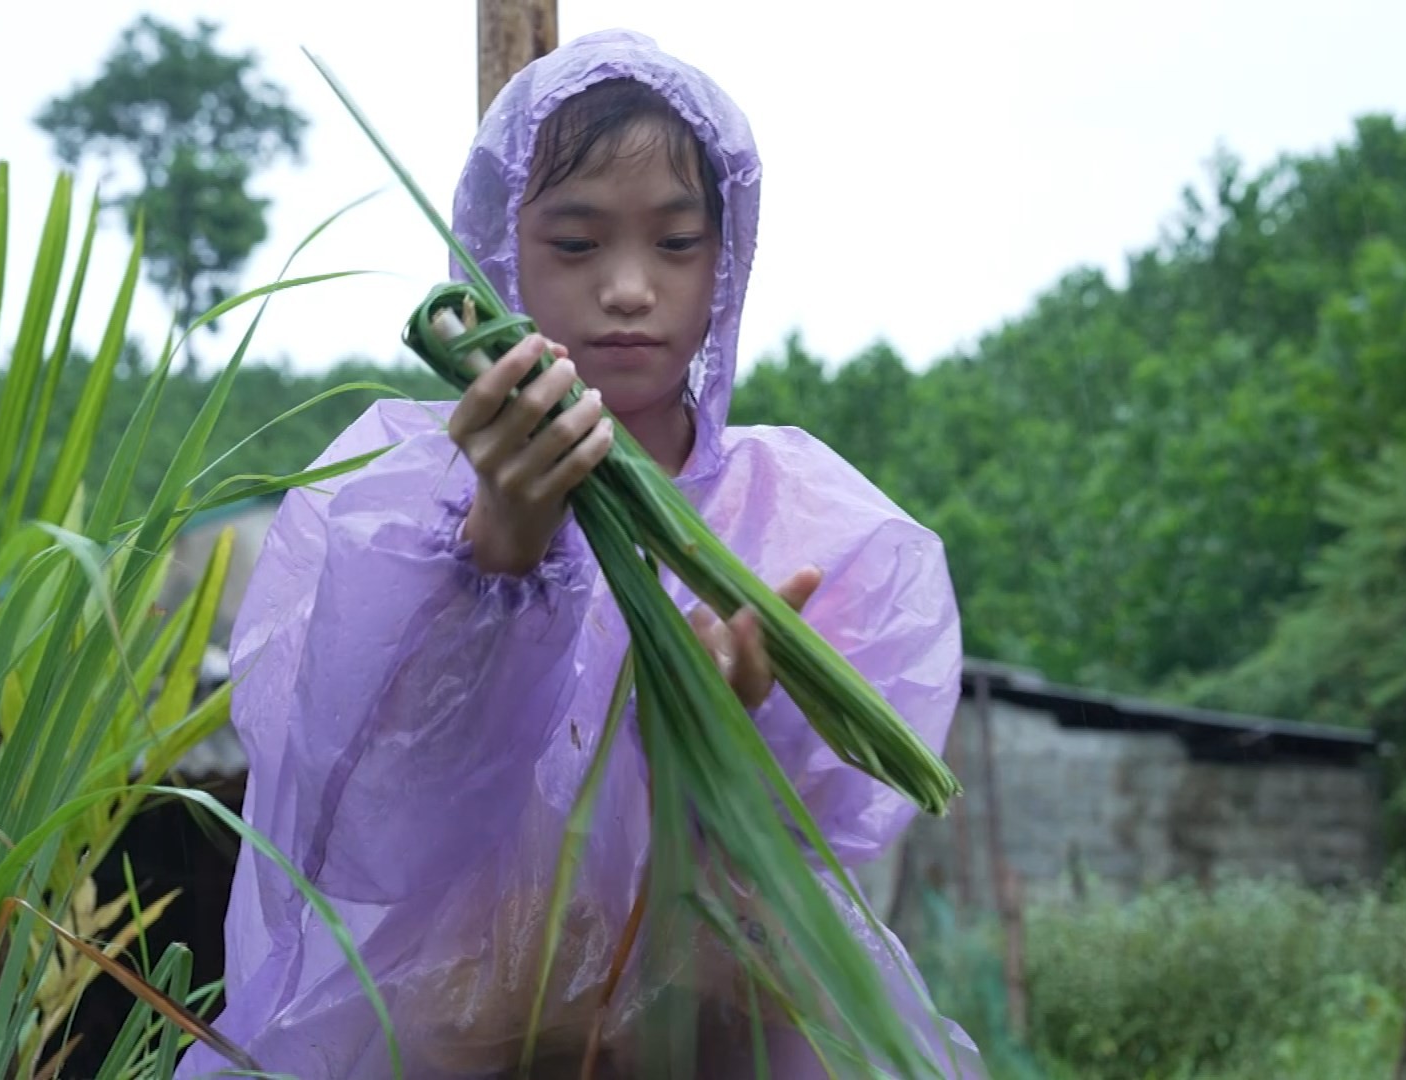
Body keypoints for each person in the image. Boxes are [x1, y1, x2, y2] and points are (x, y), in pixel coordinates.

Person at [177, 28, 985, 1079]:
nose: (631, 288)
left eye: (677, 244)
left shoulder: (808, 525)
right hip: (448, 1037)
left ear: (726, 258)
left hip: (724, 1033)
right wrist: (495, 555)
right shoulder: (391, 499)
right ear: (500, 250)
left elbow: (835, 824)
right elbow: (353, 816)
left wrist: (722, 732)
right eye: (576, 244)